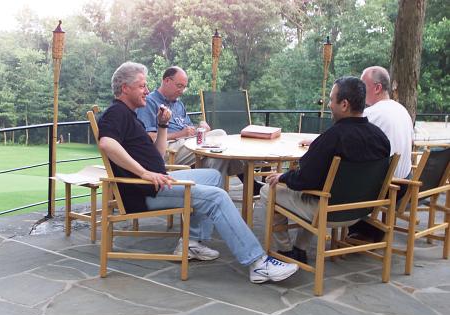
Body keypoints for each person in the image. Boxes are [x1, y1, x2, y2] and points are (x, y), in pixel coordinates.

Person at [97, 61, 298, 283]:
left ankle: (193, 242)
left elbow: (157, 153)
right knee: (217, 197)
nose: (146, 90)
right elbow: (107, 143)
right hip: (145, 190)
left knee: (214, 176)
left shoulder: (131, 114)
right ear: (125, 88)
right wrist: (144, 173)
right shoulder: (116, 113)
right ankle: (258, 264)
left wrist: (162, 126)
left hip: (158, 180)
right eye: (142, 86)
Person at [260, 76, 391, 263]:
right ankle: (300, 249)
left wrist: (283, 177)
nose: (329, 104)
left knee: (268, 190)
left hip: (328, 211)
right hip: (360, 212)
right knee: (319, 189)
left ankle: (286, 251)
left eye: (331, 99)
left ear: (344, 104)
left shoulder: (332, 138)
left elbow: (305, 180)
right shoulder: (381, 138)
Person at [136, 66, 264, 193]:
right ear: (167, 81)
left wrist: (201, 128)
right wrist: (180, 134)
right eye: (179, 86)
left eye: (184, 87)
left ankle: (213, 194)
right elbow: (150, 137)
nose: (181, 91)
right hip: (169, 150)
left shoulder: (178, 104)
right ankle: (248, 183)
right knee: (220, 147)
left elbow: (188, 129)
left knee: (219, 141)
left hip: (187, 144)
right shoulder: (149, 102)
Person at [347, 66, 414, 241]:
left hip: (383, 189)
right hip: (404, 183)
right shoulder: (402, 111)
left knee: (339, 177)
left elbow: (343, 140)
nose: (359, 91)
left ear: (377, 88)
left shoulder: (371, 114)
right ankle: (367, 229)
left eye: (363, 86)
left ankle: (364, 228)